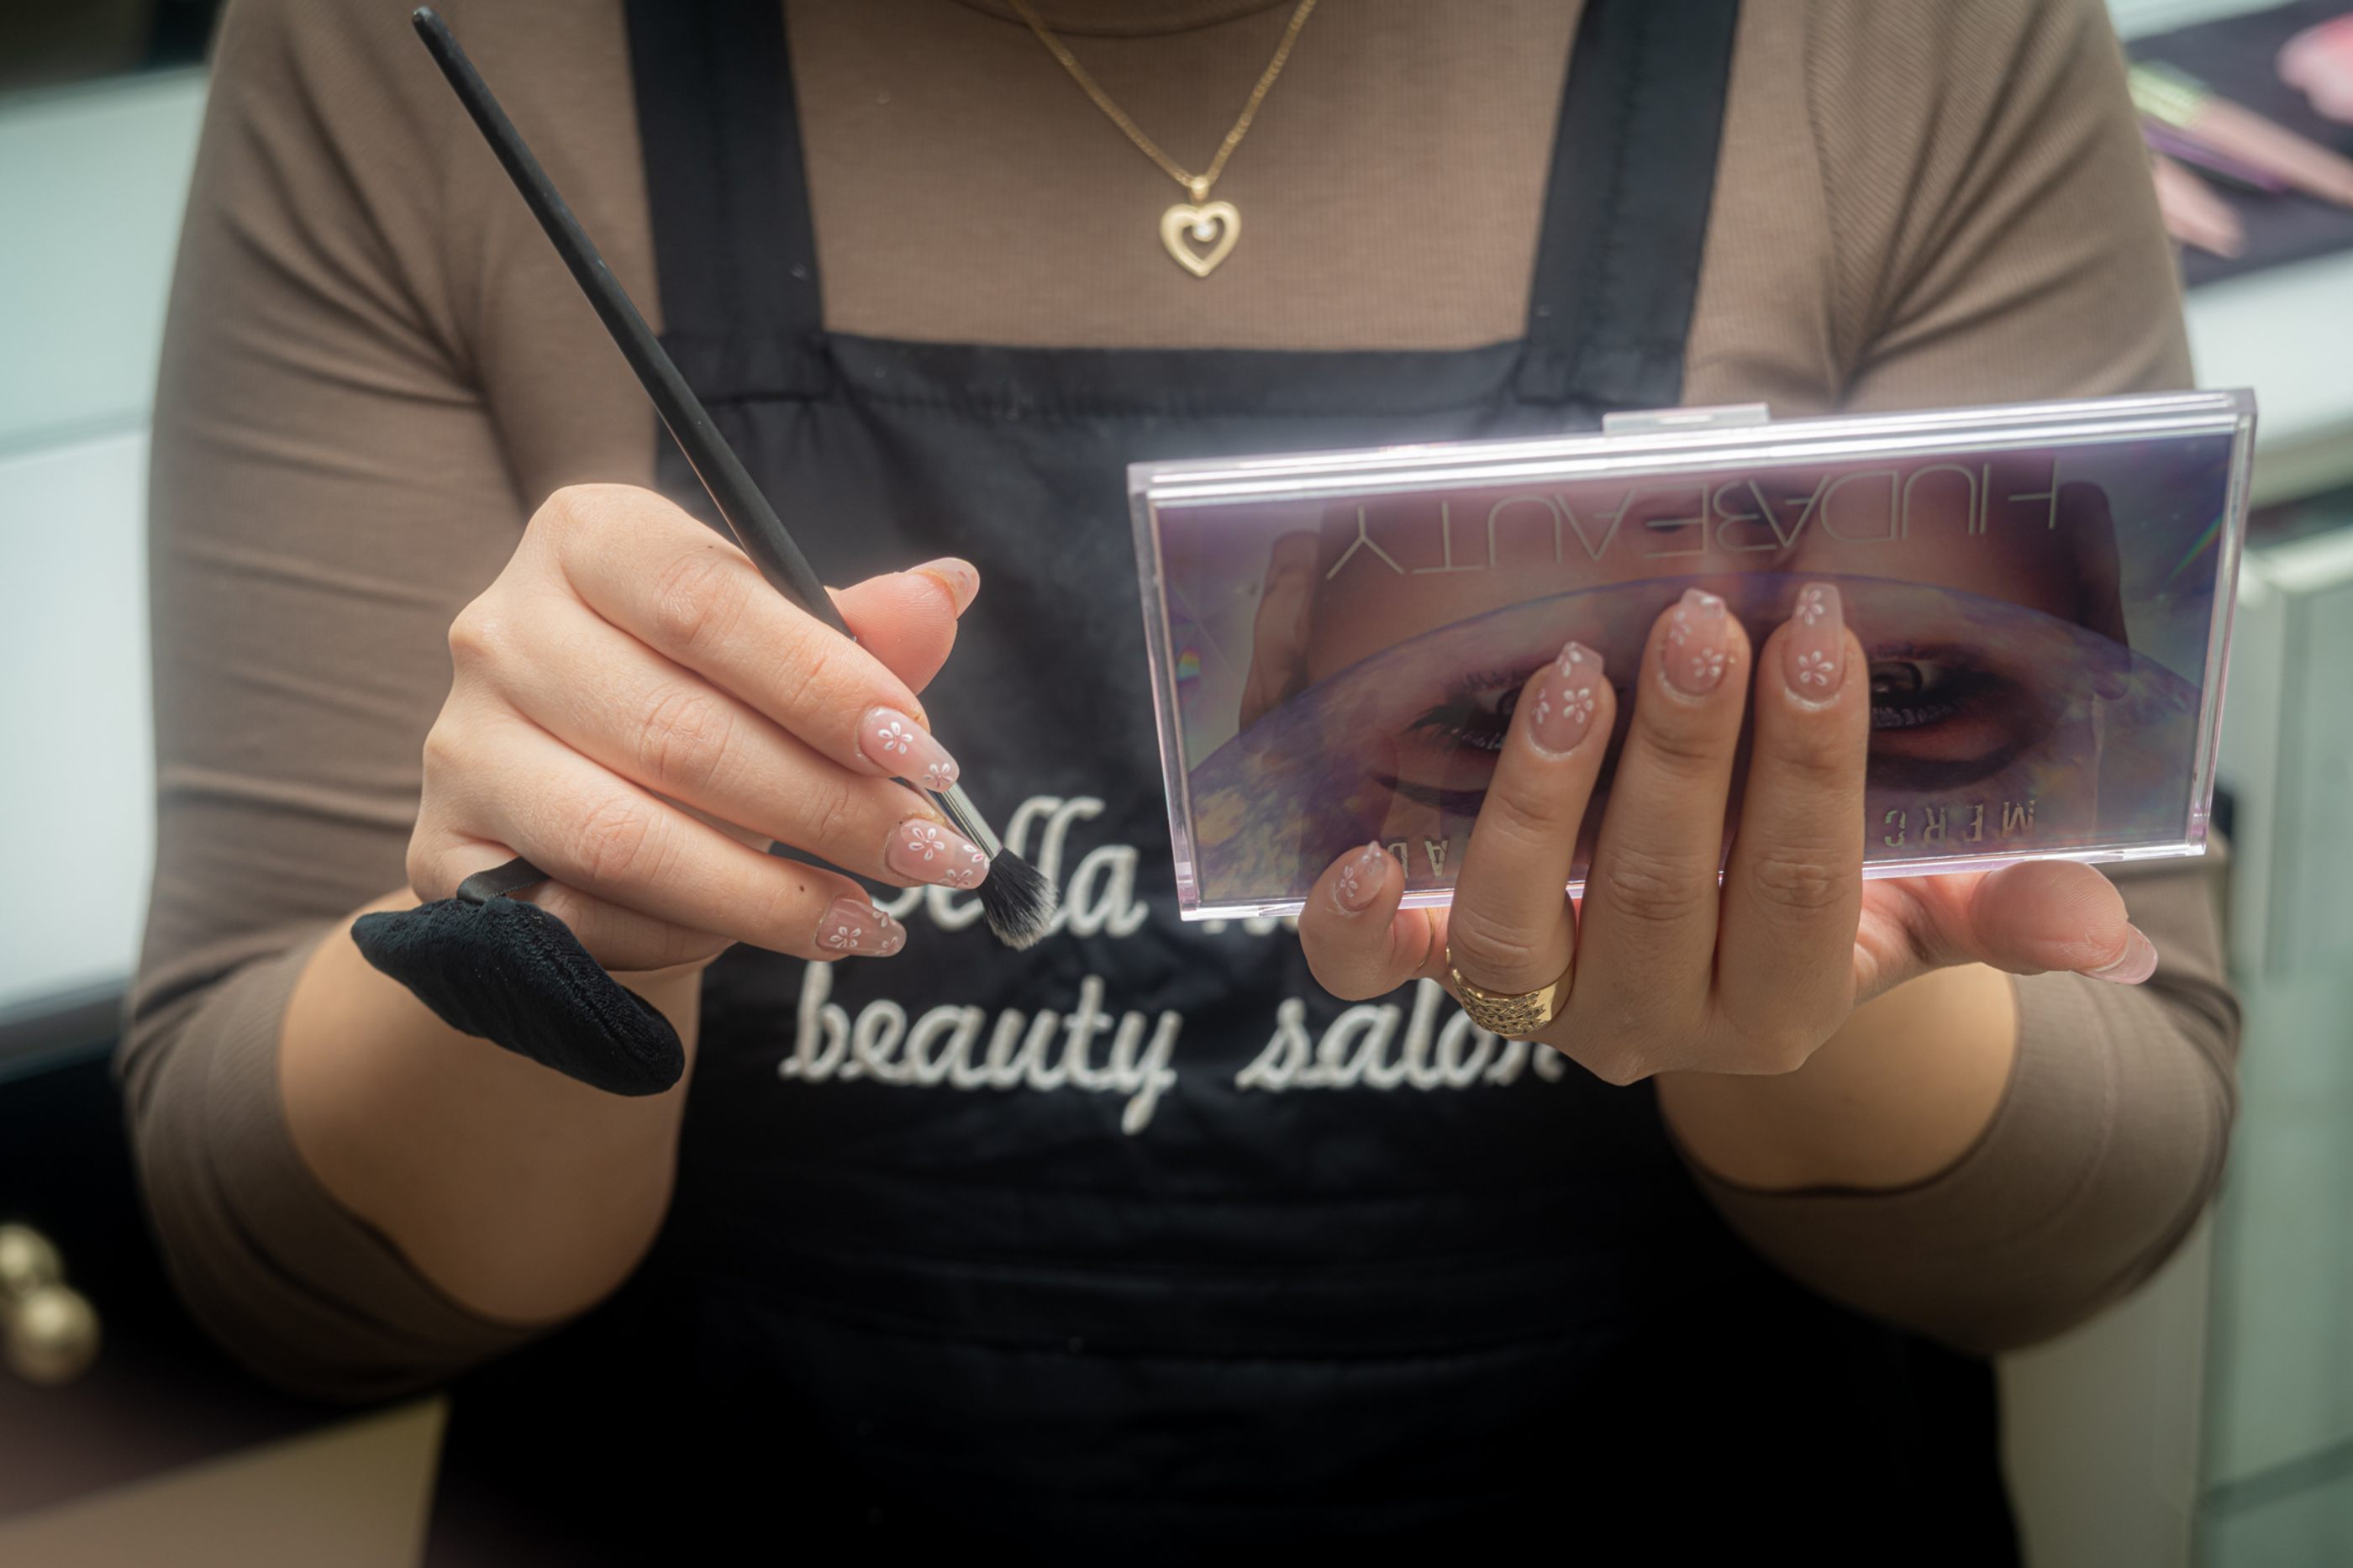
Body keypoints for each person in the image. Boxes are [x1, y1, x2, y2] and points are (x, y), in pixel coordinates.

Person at [125, 0, 2237, 1560]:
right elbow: (288, 1284)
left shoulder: (1899, 37)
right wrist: (569, 915)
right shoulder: (423, 45)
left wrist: (1804, 984)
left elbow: (2097, 1198)